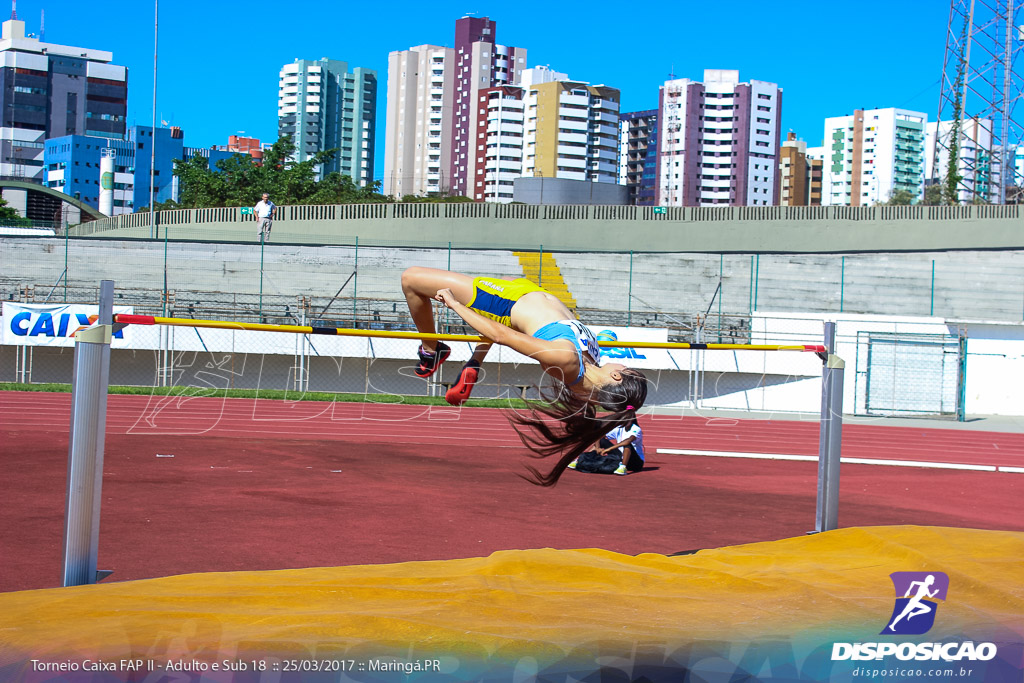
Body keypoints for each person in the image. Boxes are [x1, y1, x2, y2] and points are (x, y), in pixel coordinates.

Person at [401, 267, 648, 486]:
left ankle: (431, 349)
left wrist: (455, 304)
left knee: (411, 279)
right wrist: (476, 361)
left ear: (616, 376)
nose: (624, 363)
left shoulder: (566, 359)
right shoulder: (590, 372)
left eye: (628, 369)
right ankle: (459, 356)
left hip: (505, 301)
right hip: (521, 292)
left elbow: (503, 336)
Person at [568, 410, 645, 476]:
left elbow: (628, 441)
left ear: (631, 420)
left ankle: (623, 467)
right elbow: (600, 435)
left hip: (636, 462)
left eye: (626, 420)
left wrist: (608, 449)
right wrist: (598, 448)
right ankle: (580, 460)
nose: (623, 421)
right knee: (602, 441)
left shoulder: (636, 429)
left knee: (627, 444)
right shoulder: (619, 428)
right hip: (620, 457)